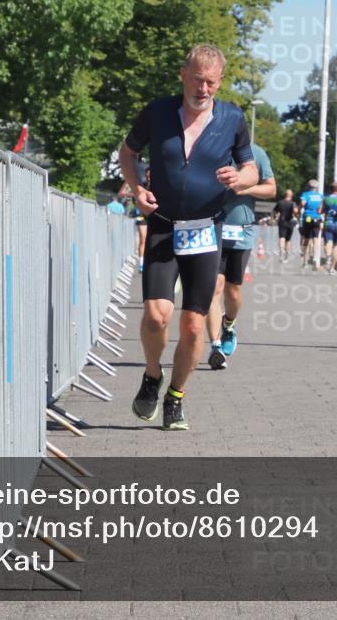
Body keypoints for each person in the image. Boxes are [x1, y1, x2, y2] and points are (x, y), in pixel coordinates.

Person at [119, 44, 258, 431]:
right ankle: (151, 375)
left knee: (194, 325)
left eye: (211, 82)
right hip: (163, 223)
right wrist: (135, 188)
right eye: (197, 79)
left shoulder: (232, 118)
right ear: (183, 74)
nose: (203, 88)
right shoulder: (158, 112)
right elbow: (126, 153)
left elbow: (251, 170)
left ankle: (176, 396)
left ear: (220, 83)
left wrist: (240, 178)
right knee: (154, 315)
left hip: (205, 230)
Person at [207, 142, 276, 369]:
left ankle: (229, 324)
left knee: (233, 291)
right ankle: (215, 346)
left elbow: (271, 189)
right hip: (211, 228)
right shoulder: (211, 149)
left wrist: (245, 188)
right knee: (214, 287)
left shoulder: (255, 153)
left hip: (241, 232)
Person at [299, 179, 324, 268]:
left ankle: (305, 261)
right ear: (316, 188)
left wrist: (303, 207)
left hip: (308, 218)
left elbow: (302, 204)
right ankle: (315, 258)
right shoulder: (321, 196)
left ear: (309, 186)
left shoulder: (306, 195)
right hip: (316, 218)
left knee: (306, 239)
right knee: (315, 239)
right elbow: (321, 208)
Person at [273, 189, 299, 262]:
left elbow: (274, 211)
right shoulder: (292, 203)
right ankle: (286, 256)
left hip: (282, 221)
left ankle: (281, 252)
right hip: (290, 222)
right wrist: (296, 215)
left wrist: (274, 218)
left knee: (282, 237)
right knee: (288, 240)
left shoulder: (280, 202)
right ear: (291, 195)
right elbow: (295, 211)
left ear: (285, 194)